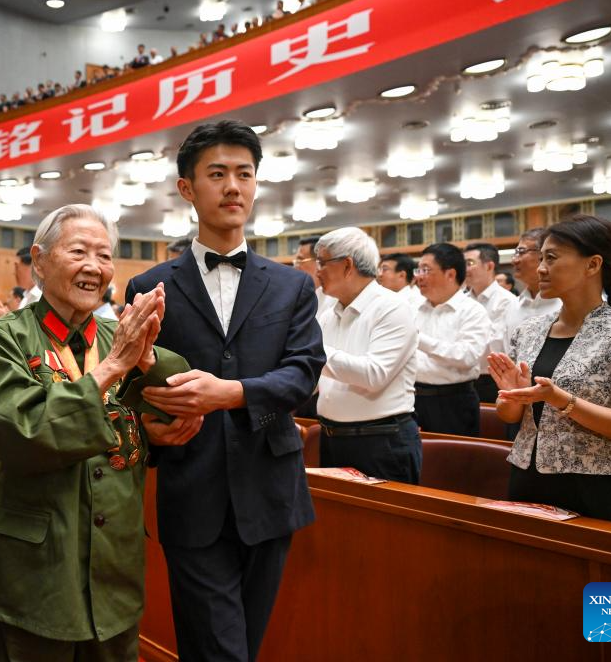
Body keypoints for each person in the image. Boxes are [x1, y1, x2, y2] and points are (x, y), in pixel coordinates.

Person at [0, 204, 199, 661]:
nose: (94, 267)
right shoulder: (2, 337)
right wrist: (113, 368)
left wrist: (148, 362)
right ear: (40, 260)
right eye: (79, 252)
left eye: (105, 256)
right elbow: (20, 432)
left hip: (114, 566)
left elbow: (179, 416)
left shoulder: (122, 337)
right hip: (31, 569)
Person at [127, 120, 325, 662]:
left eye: (245, 173)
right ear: (187, 189)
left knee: (241, 642)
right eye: (217, 174)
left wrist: (230, 392)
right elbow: (132, 381)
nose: (233, 187)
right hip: (191, 485)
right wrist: (148, 425)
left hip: (269, 487)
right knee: (220, 649)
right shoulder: (148, 287)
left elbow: (304, 372)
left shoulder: (292, 286)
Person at [490, 216, 611, 526]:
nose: (541, 267)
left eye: (551, 258)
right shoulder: (528, 331)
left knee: (597, 576)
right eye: (541, 257)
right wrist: (512, 397)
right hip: (528, 475)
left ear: (593, 265)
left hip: (596, 483)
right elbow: (510, 416)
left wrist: (561, 400)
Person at [314, 228, 421, 483]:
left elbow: (375, 375)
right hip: (331, 436)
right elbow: (318, 373)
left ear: (347, 265)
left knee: (386, 523)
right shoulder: (329, 314)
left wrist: (313, 350)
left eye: (322, 262)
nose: (317, 271)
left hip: (379, 440)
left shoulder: (392, 308)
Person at [413, 243, 491, 437]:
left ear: (450, 274)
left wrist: (418, 339)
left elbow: (467, 356)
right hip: (412, 398)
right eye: (418, 269)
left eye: (426, 270)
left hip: (454, 401)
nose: (419, 276)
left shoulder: (472, 311)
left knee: (455, 463)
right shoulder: (412, 308)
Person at [464, 242, 518, 403]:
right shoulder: (462, 300)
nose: (464, 269)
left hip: (492, 379)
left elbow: (496, 344)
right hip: (463, 379)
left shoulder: (508, 301)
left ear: (489, 266)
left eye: (469, 263)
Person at [504, 228, 562, 340]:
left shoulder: (568, 304)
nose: (514, 260)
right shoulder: (512, 306)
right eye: (516, 253)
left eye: (521, 252)